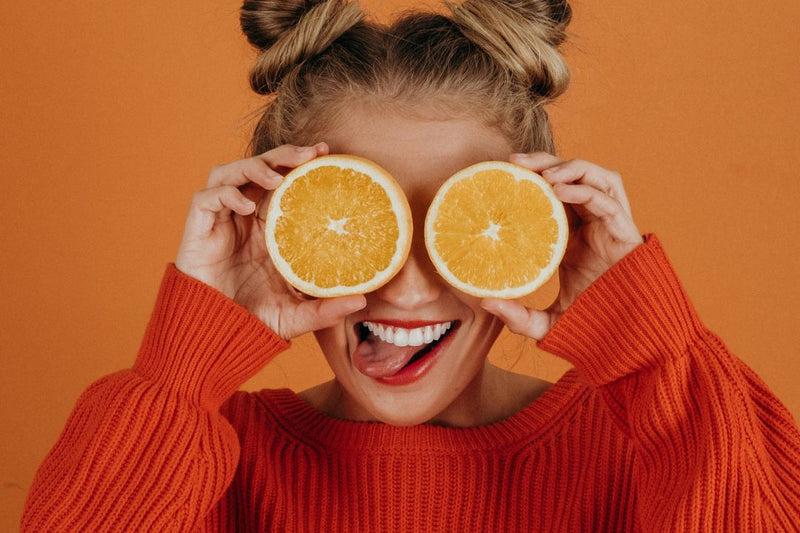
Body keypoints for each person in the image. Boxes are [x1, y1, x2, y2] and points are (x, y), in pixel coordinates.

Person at [21, 0, 800, 530]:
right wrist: (182, 367)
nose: (408, 284)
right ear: (276, 225)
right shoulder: (208, 463)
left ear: (538, 223)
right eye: (363, 221)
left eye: (459, 219)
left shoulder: (654, 446)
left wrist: (655, 351)